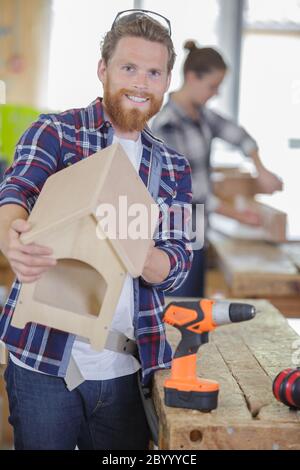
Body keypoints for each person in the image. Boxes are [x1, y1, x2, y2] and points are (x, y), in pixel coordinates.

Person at [0, 10, 193, 450]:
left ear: (165, 82)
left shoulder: (175, 168)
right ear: (103, 69)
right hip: (43, 361)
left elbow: (179, 260)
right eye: (128, 68)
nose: (140, 83)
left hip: (129, 367)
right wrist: (12, 236)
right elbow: (14, 192)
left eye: (153, 72)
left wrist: (142, 253)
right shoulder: (56, 132)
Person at [151, 40, 283, 297]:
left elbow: (239, 136)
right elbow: (194, 192)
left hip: (200, 231)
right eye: (213, 86)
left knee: (196, 308)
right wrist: (239, 215)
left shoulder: (200, 115)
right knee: (181, 311)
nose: (216, 93)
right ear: (191, 77)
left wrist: (261, 170)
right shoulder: (168, 126)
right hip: (179, 235)